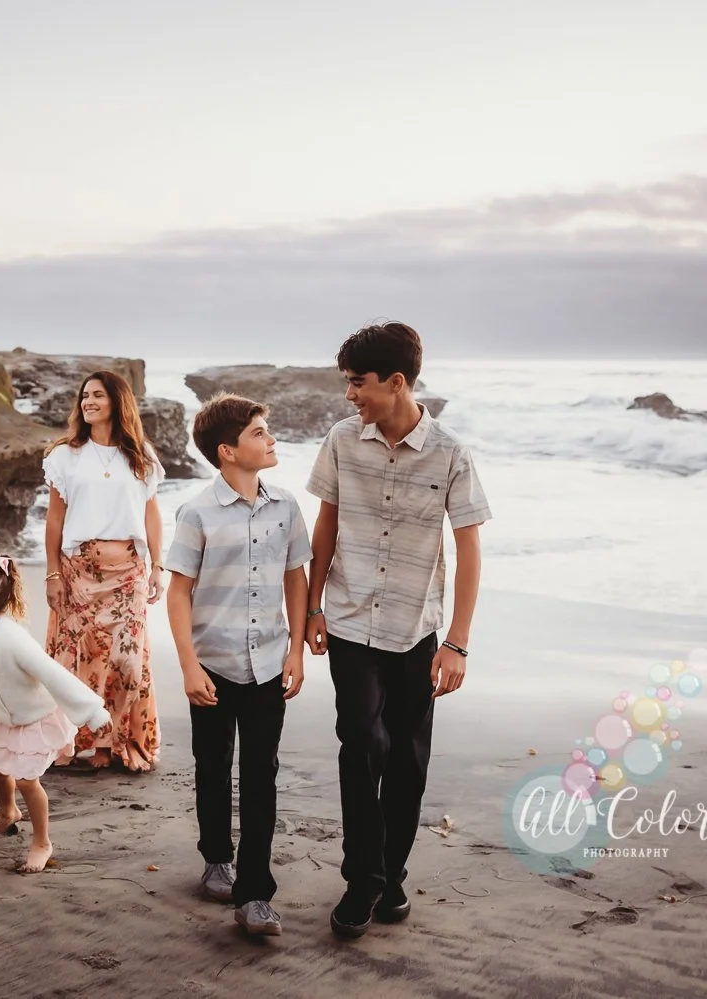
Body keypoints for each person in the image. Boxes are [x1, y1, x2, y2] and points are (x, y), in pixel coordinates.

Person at [304, 321, 491, 938]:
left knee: (408, 759)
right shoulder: (340, 440)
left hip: (417, 629)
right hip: (352, 619)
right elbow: (325, 528)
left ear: (397, 382)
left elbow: (468, 552)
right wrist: (311, 608)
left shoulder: (452, 454)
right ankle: (363, 882)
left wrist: (458, 642)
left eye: (358, 383)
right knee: (361, 746)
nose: (350, 394)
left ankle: (393, 874)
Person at [166, 394, 311, 937]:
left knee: (261, 775)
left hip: (269, 661)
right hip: (213, 664)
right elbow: (177, 594)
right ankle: (214, 857)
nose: (270, 438)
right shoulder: (197, 512)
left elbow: (296, 577)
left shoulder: (287, 507)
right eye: (258, 432)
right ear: (227, 451)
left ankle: (254, 895)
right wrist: (188, 667)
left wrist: (295, 649)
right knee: (212, 765)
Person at [0, 553, 113, 873]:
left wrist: (93, 712)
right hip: (6, 716)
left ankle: (42, 841)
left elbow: (52, 674)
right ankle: (8, 812)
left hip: (37, 716)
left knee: (28, 780)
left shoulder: (11, 638)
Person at [42, 370, 164, 772]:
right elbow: (55, 521)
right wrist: (52, 573)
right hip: (79, 571)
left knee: (126, 663)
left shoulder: (141, 456)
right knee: (81, 660)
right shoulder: (65, 455)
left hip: (129, 571)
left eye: (97, 395)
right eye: (84, 396)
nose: (88, 401)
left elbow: (151, 515)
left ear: (117, 401)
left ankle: (119, 738)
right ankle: (93, 744)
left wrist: (158, 565)